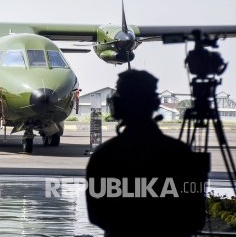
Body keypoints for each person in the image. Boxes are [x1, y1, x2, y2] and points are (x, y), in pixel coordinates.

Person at [86, 70, 207, 237]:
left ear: (118, 105)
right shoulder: (179, 153)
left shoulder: (104, 156)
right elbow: (196, 216)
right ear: (155, 103)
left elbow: (96, 215)